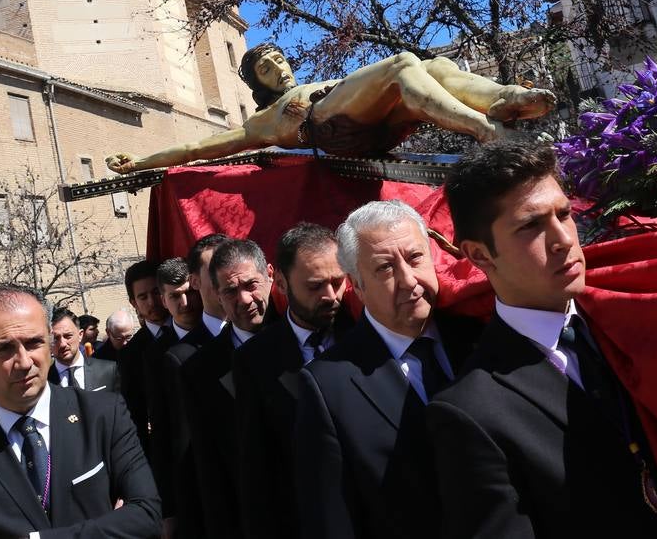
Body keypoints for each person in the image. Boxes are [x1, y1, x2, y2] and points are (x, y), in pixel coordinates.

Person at [430, 140, 657, 538]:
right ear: (479, 255)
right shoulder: (470, 414)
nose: (563, 238)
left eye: (564, 214)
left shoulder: (640, 323)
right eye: (531, 225)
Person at [293, 200, 482, 539]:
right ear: (358, 286)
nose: (408, 280)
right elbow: (332, 518)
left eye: (415, 258)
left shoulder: (480, 337)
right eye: (384, 268)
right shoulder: (327, 386)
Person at [0, 285, 160, 537]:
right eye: (5, 349)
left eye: (34, 343)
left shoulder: (103, 415)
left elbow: (146, 515)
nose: (24, 362)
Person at [106, 44, 556, 170]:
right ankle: (486, 128)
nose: (277, 68)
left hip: (375, 124)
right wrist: (143, 160)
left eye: (279, 59)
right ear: (255, 83)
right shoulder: (263, 120)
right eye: (264, 68)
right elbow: (196, 148)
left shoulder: (322, 80)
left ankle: (502, 98)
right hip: (332, 128)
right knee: (404, 62)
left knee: (434, 63)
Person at [233, 222, 352, 539]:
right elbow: (257, 467)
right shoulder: (255, 360)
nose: (331, 296)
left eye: (338, 282)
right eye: (315, 286)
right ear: (281, 283)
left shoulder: (365, 334)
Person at [181, 240, 275, 539]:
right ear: (217, 296)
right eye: (231, 291)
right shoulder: (198, 371)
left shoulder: (307, 342)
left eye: (251, 285)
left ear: (270, 276)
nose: (244, 299)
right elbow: (210, 471)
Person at [159, 235, 230, 538]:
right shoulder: (181, 359)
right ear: (196, 281)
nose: (225, 277)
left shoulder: (273, 335)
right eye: (213, 269)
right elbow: (178, 446)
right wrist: (176, 513)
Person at [117, 259, 172, 453]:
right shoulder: (130, 355)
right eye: (143, 296)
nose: (152, 302)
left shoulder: (191, 328)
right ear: (134, 303)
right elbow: (136, 414)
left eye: (156, 292)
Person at [50, 307, 120, 392]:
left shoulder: (107, 370)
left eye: (68, 336)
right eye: (56, 338)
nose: (63, 344)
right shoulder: (43, 382)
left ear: (80, 335)